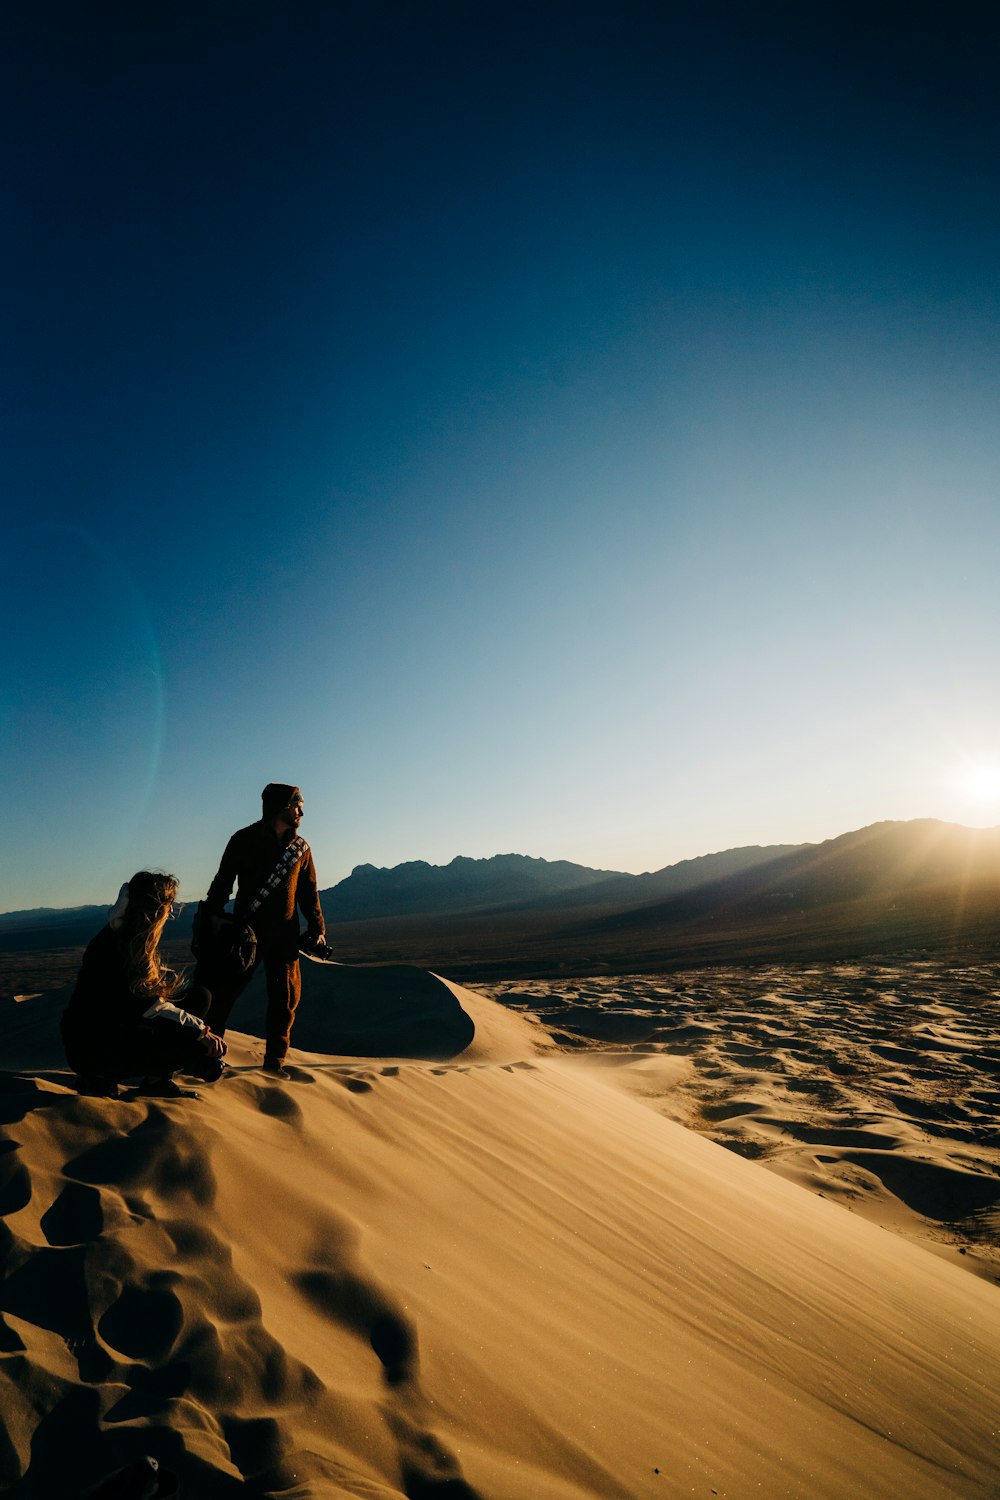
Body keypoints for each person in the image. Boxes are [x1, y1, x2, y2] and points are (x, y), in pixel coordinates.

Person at [197, 782, 329, 1078]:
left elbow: (309, 892)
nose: (301, 812)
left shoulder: (302, 849)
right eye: (297, 805)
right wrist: (214, 917)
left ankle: (275, 1062)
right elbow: (222, 882)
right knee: (224, 995)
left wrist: (317, 927)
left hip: (285, 935)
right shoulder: (243, 839)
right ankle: (208, 1055)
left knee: (285, 999)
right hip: (246, 934)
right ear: (279, 807)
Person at [61, 871, 227, 1099]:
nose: (170, 914)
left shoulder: (123, 935)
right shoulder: (119, 948)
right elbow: (146, 1007)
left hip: (112, 1033)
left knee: (200, 998)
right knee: (194, 1045)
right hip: (95, 1051)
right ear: (154, 911)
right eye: (169, 908)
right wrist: (200, 1032)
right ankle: (100, 1078)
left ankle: (156, 1081)